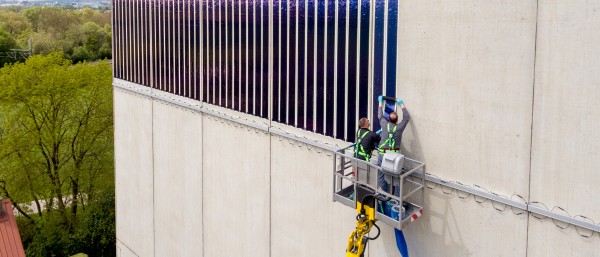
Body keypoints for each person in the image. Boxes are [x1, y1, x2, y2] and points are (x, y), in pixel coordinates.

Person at [376, 95, 410, 191]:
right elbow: (406, 118)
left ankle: (383, 193)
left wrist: (380, 103)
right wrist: (401, 105)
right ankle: (395, 200)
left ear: (389, 119)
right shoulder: (399, 128)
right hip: (394, 156)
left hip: (382, 154)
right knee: (396, 176)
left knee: (381, 174)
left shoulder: (384, 124)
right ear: (397, 120)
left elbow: (380, 115)